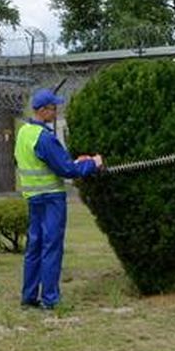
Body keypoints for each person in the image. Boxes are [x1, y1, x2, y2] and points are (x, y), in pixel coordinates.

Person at [14, 88, 103, 310]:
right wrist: (92, 163)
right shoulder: (44, 137)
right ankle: (51, 299)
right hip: (51, 199)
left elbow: (50, 162)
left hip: (34, 198)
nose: (56, 112)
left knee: (34, 248)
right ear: (43, 110)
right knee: (51, 247)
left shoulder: (24, 132)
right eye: (54, 108)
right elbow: (65, 169)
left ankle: (29, 296)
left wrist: (76, 161)